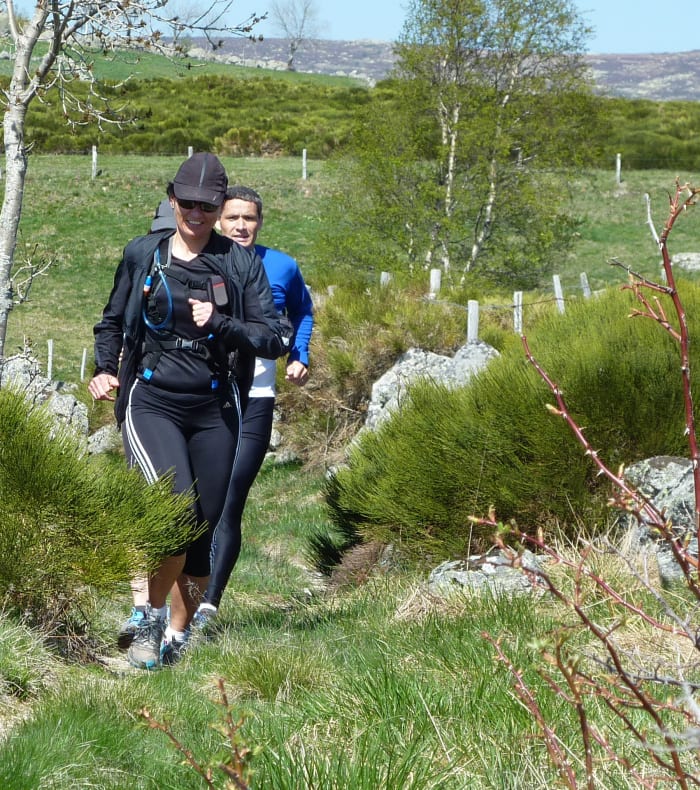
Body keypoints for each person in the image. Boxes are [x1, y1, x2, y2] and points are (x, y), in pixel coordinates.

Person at [89, 153, 290, 670]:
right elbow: (110, 321)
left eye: (208, 204)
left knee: (201, 533)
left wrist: (221, 323)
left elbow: (272, 337)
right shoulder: (143, 254)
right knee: (173, 514)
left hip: (217, 406)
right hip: (151, 400)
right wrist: (105, 368)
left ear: (220, 206)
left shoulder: (239, 262)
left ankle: (176, 639)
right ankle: (147, 620)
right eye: (188, 202)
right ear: (172, 199)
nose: (197, 213)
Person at [160, 185, 314, 662]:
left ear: (260, 223)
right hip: (205, 395)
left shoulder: (282, 266)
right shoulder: (197, 260)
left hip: (256, 396)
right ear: (217, 220)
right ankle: (163, 607)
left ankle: (207, 604)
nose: (241, 226)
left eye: (250, 218)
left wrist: (299, 352)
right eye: (233, 218)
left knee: (228, 499)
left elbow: (303, 311)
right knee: (190, 502)